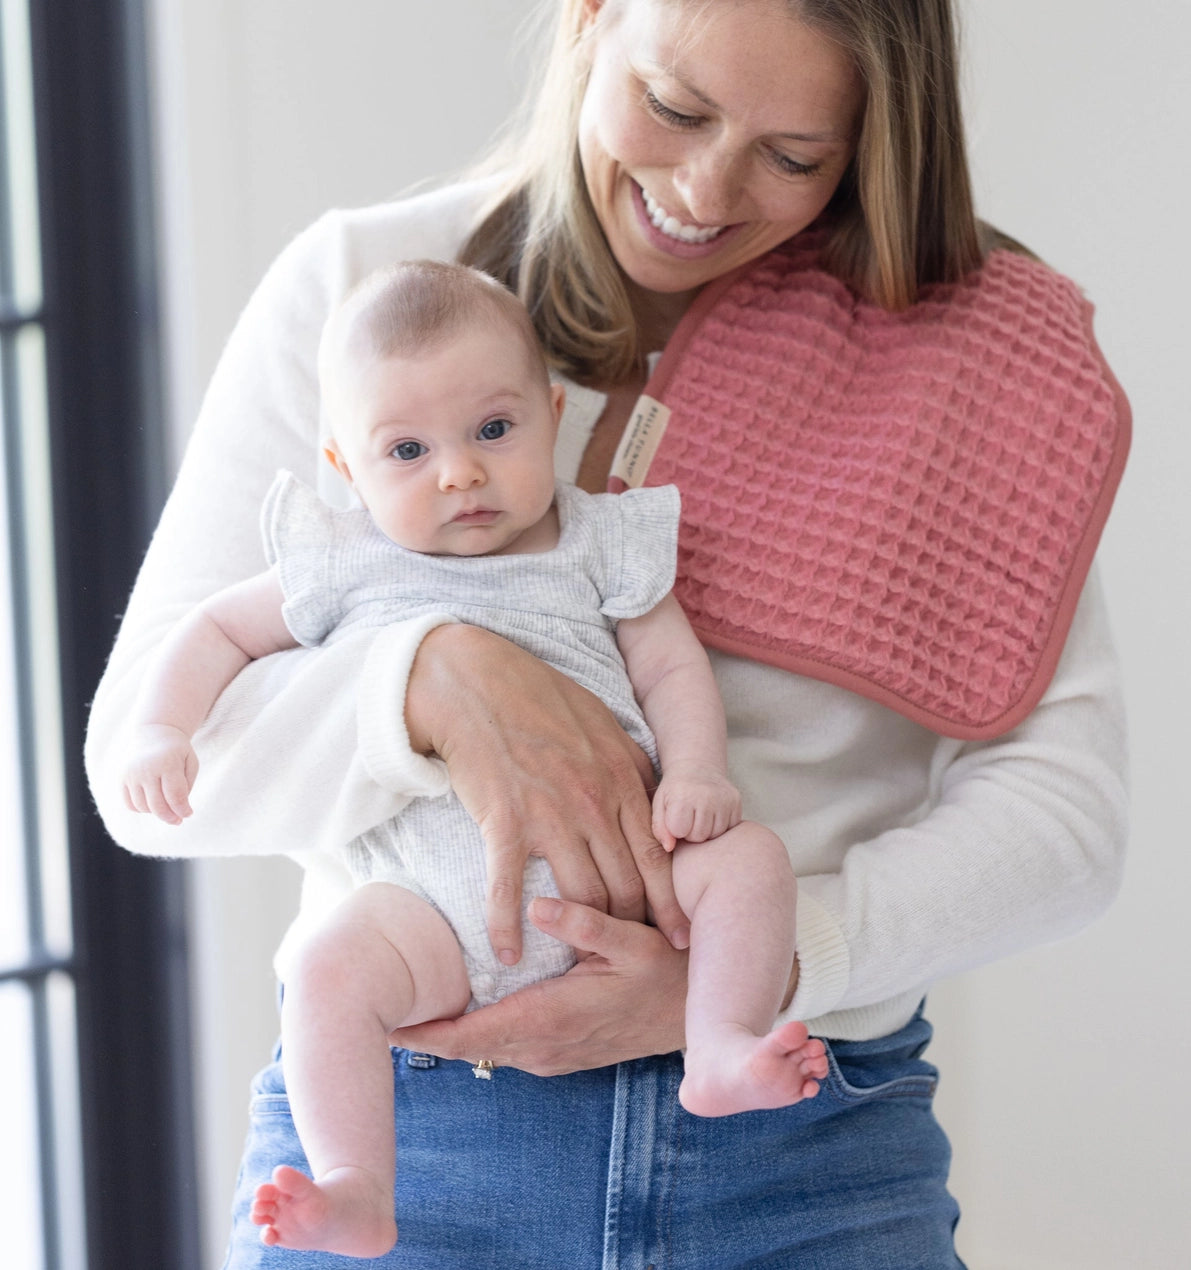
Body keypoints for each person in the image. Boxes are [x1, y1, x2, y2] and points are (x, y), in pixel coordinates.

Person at [85, 1, 1130, 1266]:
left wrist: (769, 967)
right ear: (588, 18)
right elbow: (147, 778)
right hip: (414, 1140)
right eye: (676, 107)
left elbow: (1064, 821)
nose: (700, 188)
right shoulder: (361, 298)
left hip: (802, 1140)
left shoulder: (968, 361)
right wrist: (423, 684)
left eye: (794, 155)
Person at [118, 259, 828, 1256]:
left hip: (634, 890)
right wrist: (161, 729)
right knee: (328, 969)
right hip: (428, 917)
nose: (459, 472)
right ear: (346, 464)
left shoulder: (594, 543)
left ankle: (716, 1041)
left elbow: (670, 667)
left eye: (493, 431)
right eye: (406, 450)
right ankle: (359, 1184)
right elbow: (211, 633)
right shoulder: (348, 560)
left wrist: (700, 770)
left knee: (749, 863)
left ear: (551, 413)